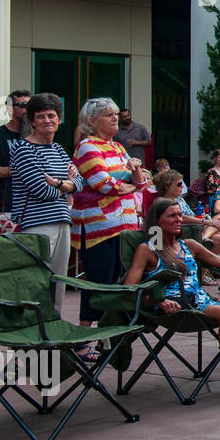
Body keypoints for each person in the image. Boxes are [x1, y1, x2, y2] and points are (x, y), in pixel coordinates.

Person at [125, 199, 220, 400]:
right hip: (178, 309)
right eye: (172, 216)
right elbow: (130, 288)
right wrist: (157, 301)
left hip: (202, 303)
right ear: (157, 221)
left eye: (180, 215)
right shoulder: (149, 250)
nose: (179, 219)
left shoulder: (188, 245)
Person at [71, 97, 148, 352]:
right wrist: (128, 184)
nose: (115, 118)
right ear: (92, 121)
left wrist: (133, 175)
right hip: (97, 228)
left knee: (116, 282)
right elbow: (104, 184)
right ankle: (84, 340)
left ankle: (106, 337)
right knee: (97, 283)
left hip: (124, 226)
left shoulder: (117, 147)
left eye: (116, 114)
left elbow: (141, 184)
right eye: (108, 115)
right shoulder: (87, 146)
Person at [8, 93, 79, 313]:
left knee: (58, 283)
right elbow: (41, 190)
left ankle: (52, 331)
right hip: (36, 225)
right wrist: (66, 184)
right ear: (32, 121)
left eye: (51, 115)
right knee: (35, 283)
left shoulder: (58, 149)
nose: (47, 120)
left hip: (62, 221)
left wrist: (61, 184)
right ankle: (32, 332)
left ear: (59, 119)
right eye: (40, 117)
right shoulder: (23, 149)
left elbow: (80, 183)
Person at [0, 89, 30, 232]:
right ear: (10, 108)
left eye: (30, 105)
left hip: (34, 207)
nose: (27, 109)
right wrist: (18, 171)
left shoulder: (36, 136)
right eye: (22, 105)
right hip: (6, 206)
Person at [152, 167, 220, 255]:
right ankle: (203, 241)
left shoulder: (180, 199)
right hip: (182, 232)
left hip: (196, 228)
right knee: (216, 234)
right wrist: (205, 221)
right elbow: (179, 217)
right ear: (167, 187)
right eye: (179, 184)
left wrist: (200, 217)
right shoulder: (162, 201)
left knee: (219, 235)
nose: (182, 186)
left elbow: (189, 215)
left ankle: (204, 239)